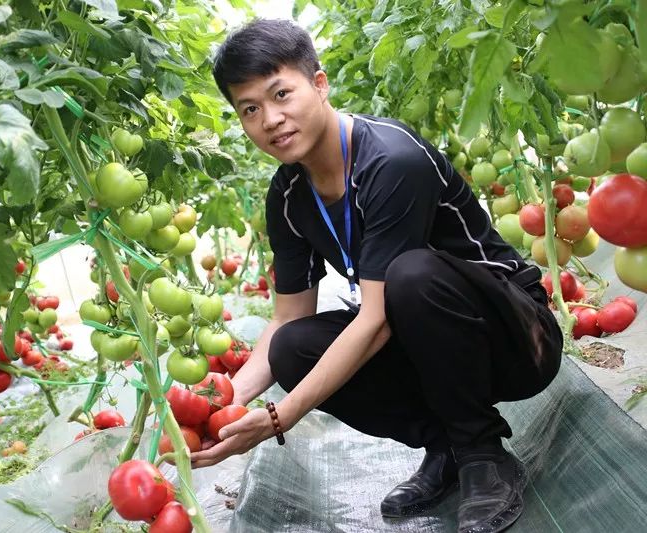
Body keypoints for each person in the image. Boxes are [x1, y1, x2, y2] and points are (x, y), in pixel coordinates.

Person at [190, 18, 563, 533]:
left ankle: (482, 453)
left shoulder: (390, 160)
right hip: (425, 344)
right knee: (292, 347)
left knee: (410, 276)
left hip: (518, 338)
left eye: (281, 94)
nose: (271, 119)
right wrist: (219, 405)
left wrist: (281, 417)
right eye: (250, 109)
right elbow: (286, 317)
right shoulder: (289, 195)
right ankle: (447, 445)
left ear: (319, 84)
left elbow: (378, 320)